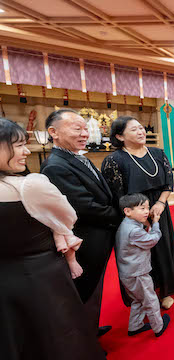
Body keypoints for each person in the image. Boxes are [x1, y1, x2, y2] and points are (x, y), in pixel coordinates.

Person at [0, 118, 105, 360]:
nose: (26, 151)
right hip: (41, 276)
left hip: (5, 281)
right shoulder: (29, 186)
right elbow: (67, 217)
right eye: (17, 145)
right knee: (58, 335)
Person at [41, 109, 120, 338]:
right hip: (86, 238)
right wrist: (119, 215)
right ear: (53, 132)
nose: (85, 133)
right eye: (77, 128)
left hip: (98, 235)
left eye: (85, 128)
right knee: (82, 292)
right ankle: (83, 342)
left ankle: (90, 330)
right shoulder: (56, 165)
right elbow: (83, 207)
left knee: (94, 289)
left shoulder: (77, 157)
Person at [101, 116, 174, 310]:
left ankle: (165, 289)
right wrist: (139, 214)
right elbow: (117, 196)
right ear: (120, 136)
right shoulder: (114, 160)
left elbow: (168, 183)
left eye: (141, 128)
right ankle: (143, 294)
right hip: (133, 216)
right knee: (141, 256)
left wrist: (161, 204)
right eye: (134, 129)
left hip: (158, 210)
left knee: (163, 249)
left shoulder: (157, 153)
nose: (141, 132)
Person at [115, 193, 171, 337]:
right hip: (137, 273)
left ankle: (135, 326)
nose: (147, 211)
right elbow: (152, 240)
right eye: (142, 208)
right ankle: (158, 327)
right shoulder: (133, 230)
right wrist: (156, 223)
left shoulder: (126, 224)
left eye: (147, 207)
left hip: (128, 273)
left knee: (138, 300)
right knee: (150, 299)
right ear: (127, 211)